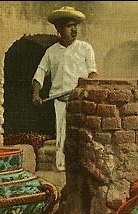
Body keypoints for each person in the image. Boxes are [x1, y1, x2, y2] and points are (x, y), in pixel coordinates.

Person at [32, 6, 99, 171]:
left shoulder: (85, 48)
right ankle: (64, 170)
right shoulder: (51, 52)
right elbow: (39, 74)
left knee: (82, 134)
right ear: (59, 28)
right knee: (62, 135)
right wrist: (36, 94)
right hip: (60, 102)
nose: (74, 29)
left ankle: (83, 167)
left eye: (75, 25)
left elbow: (93, 73)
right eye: (69, 26)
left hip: (80, 101)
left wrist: (85, 88)